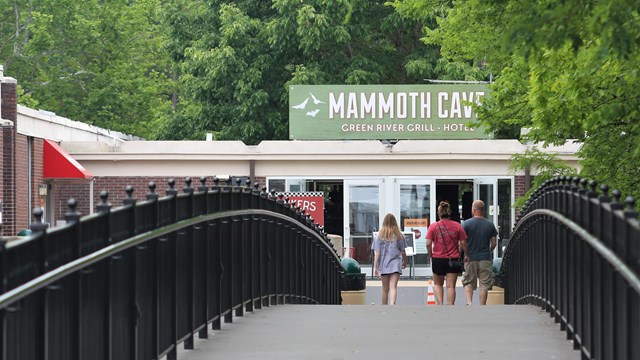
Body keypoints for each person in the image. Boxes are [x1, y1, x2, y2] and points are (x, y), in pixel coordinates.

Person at [426, 201, 468, 305]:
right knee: (451, 286)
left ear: (438, 213)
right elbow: (463, 242)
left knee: (437, 284)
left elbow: (428, 243)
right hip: (453, 259)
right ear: (449, 212)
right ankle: (450, 306)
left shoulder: (433, 226)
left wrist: (431, 254)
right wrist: (465, 254)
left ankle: (440, 304)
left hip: (438, 258)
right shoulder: (457, 226)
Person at [462, 200, 498, 305]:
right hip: (485, 258)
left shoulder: (466, 224)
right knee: (484, 284)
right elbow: (494, 243)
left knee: (468, 281)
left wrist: (466, 253)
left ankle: (469, 303)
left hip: (471, 258)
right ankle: (482, 306)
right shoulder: (490, 225)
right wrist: (489, 251)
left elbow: (462, 242)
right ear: (483, 210)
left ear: (473, 210)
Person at [372, 213, 407, 305]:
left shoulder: (379, 236)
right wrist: (405, 261)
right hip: (395, 263)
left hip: (384, 264)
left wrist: (375, 267)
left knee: (384, 289)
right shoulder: (399, 235)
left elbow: (377, 253)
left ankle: (384, 307)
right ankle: (392, 305)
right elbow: (403, 251)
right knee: (393, 287)